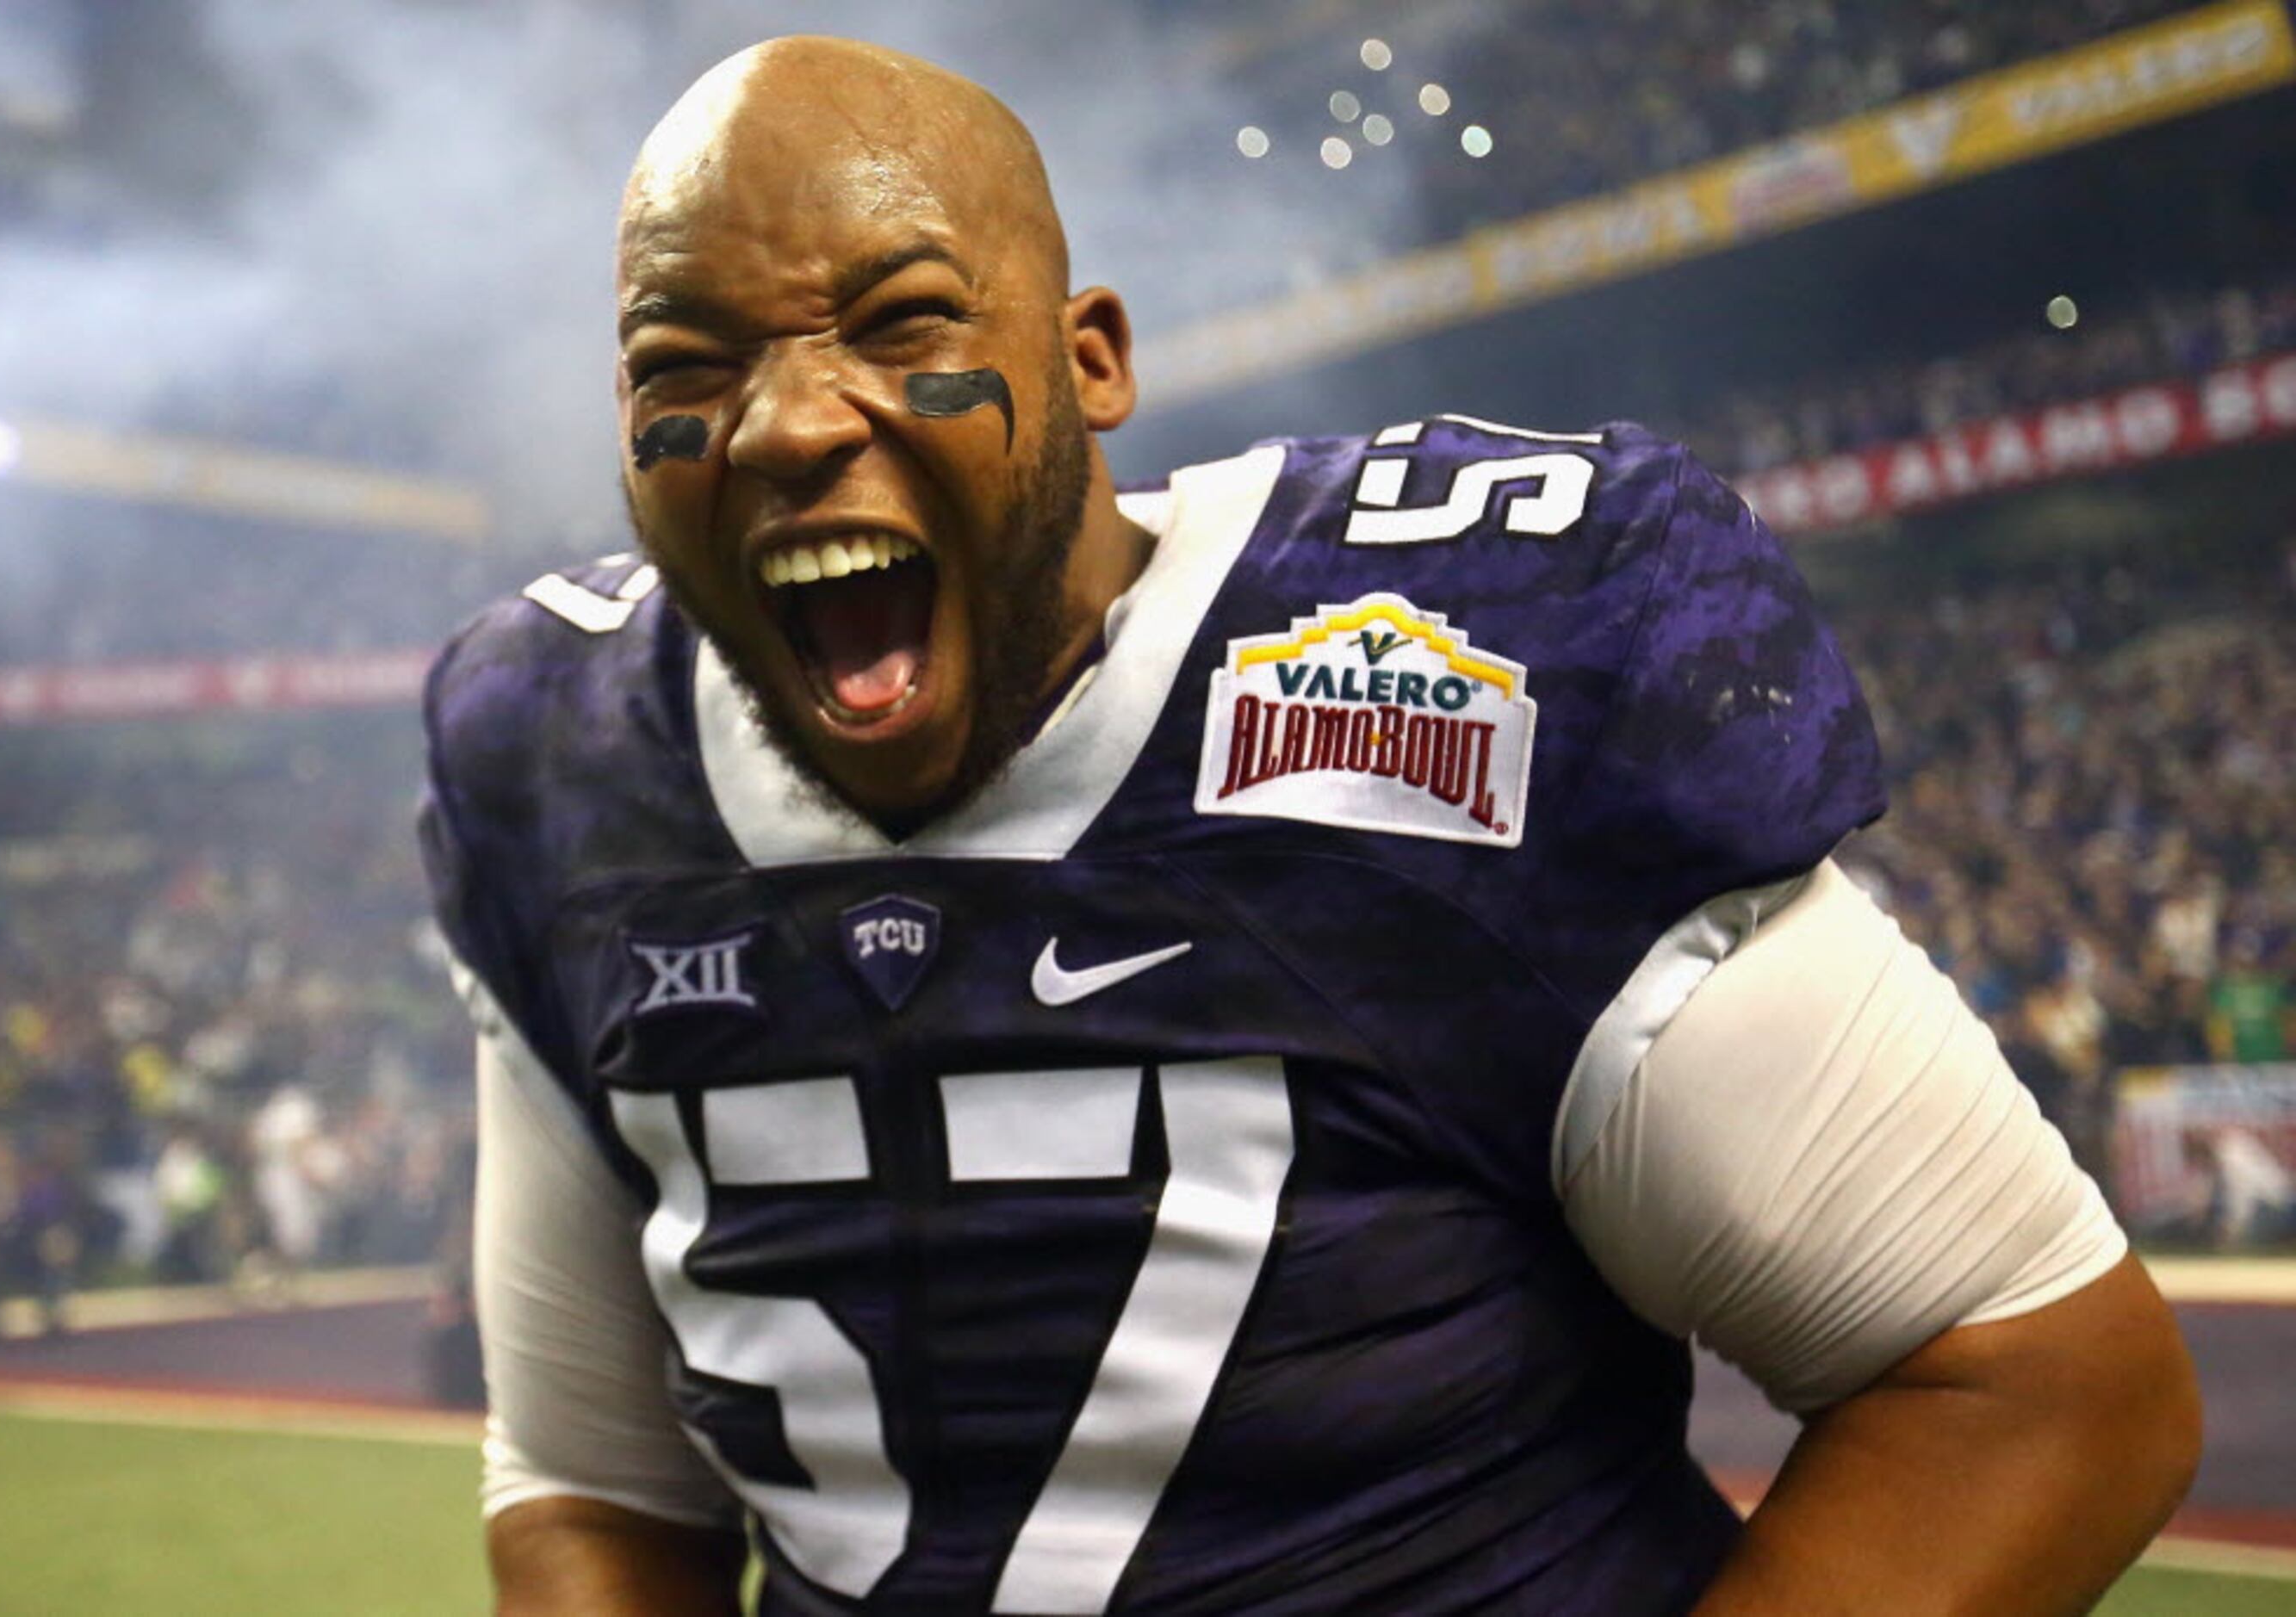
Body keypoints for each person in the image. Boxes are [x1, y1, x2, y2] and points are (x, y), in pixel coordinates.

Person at [420, 36, 2200, 1615]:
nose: (787, 423)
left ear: (1089, 360)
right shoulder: (566, 763)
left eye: (900, 324)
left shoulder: (1452, 677)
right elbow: (596, 1493)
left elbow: (2033, 1383)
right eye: (685, 361)